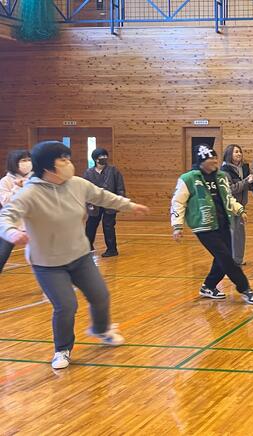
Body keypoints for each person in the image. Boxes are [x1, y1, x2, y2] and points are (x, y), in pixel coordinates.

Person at [0, 141, 149, 369]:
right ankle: (62, 349)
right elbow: (6, 216)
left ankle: (101, 329)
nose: (69, 163)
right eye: (63, 160)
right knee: (66, 305)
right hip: (48, 263)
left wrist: (129, 205)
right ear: (47, 167)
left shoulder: (78, 184)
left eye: (68, 158)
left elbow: (103, 197)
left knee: (100, 295)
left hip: (80, 256)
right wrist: (11, 232)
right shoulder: (29, 193)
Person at [171, 144, 253, 304]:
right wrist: (177, 225)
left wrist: (239, 209)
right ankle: (245, 289)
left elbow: (228, 197)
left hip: (223, 222)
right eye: (211, 159)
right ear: (202, 161)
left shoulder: (220, 176)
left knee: (222, 257)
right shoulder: (188, 179)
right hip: (204, 225)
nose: (215, 161)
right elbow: (178, 202)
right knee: (226, 257)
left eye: (215, 158)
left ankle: (208, 286)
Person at [83, 148, 126, 257]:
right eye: (101, 156)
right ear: (95, 159)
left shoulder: (113, 170)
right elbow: (85, 189)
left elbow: (120, 187)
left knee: (108, 226)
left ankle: (112, 249)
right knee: (90, 225)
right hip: (94, 203)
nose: (104, 158)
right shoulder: (89, 173)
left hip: (110, 202)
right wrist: (87, 203)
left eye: (105, 156)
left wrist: (120, 201)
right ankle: (87, 247)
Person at [221, 144, 253, 266]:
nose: (239, 154)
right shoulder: (224, 171)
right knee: (231, 234)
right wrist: (246, 181)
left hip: (241, 205)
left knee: (240, 235)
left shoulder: (245, 167)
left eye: (240, 151)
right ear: (229, 154)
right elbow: (230, 189)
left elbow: (249, 186)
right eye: (236, 152)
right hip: (230, 206)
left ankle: (238, 260)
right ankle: (229, 260)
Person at [0, 150, 32, 273]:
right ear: (14, 163)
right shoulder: (5, 181)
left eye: (29, 160)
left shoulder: (35, 178)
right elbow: (6, 202)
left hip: (33, 223)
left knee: (45, 257)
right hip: (12, 224)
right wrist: (17, 186)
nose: (27, 163)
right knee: (2, 254)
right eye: (23, 160)